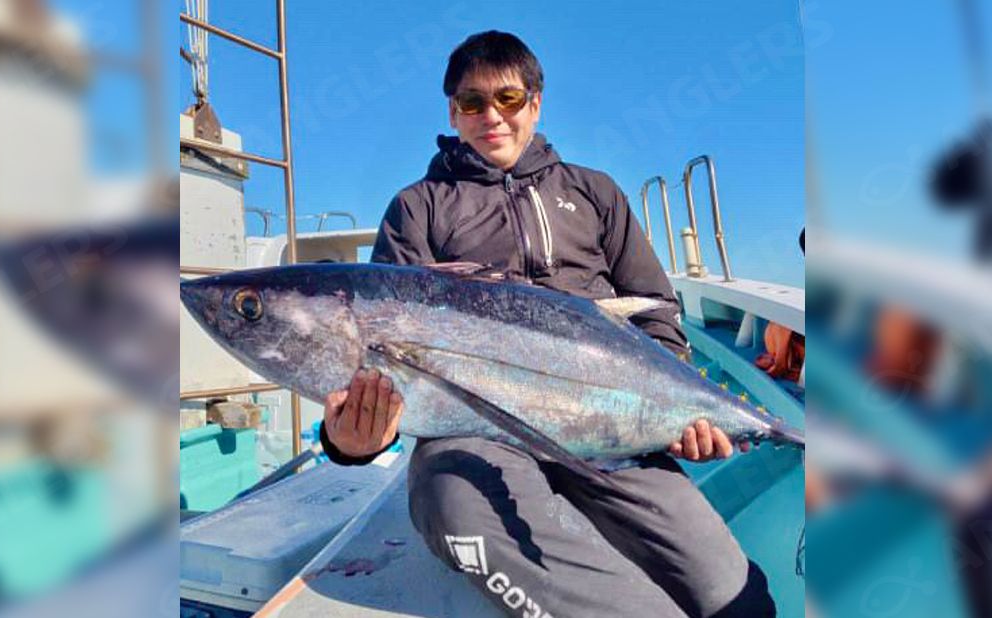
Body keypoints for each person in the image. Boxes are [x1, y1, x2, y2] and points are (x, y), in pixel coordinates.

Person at [320, 31, 775, 617]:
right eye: (471, 103)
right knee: (456, 513)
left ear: (535, 103)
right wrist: (347, 444)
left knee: (731, 597)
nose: (492, 117)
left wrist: (678, 412)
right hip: (471, 431)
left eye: (508, 100)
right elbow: (379, 357)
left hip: (614, 432)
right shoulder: (419, 207)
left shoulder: (595, 193)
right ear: (452, 113)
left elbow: (655, 310)